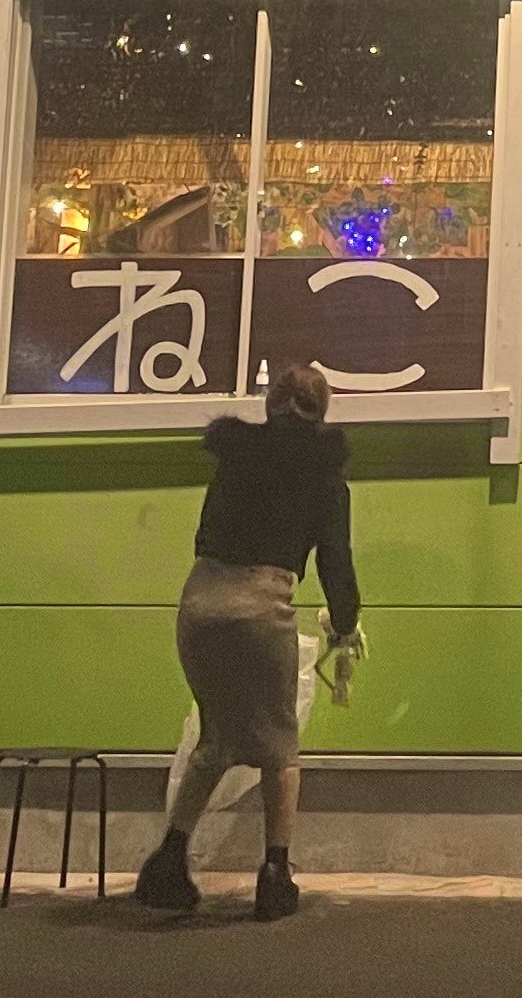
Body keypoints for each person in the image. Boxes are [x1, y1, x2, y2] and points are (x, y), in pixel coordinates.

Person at [134, 362, 361, 920]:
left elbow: (204, 536)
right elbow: (335, 563)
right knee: (279, 748)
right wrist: (345, 622)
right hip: (260, 609)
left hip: (200, 606)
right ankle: (275, 875)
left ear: (268, 404)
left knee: (216, 736)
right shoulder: (326, 478)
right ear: (322, 411)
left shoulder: (232, 460)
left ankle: (168, 861)